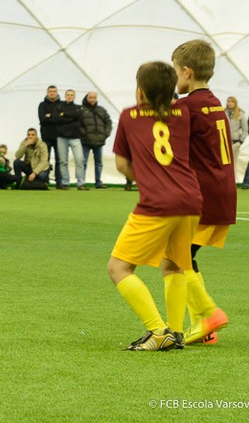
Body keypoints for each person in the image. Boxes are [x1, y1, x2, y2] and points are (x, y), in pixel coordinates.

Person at [107, 61, 202, 351]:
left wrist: (146, 179)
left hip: (157, 203)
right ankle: (176, 332)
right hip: (190, 200)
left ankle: (157, 330)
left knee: (119, 268)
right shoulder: (184, 114)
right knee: (174, 265)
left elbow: (122, 163)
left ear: (140, 91)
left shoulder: (129, 116)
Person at [171, 40, 234, 346]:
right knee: (183, 255)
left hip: (201, 195)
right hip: (223, 190)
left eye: (175, 72)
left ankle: (207, 313)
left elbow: (173, 152)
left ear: (186, 72)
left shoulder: (186, 107)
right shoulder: (216, 103)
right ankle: (204, 325)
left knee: (176, 257)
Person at [80, 91, 113, 189]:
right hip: (85, 141)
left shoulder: (101, 110)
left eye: (94, 97)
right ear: (87, 98)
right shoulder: (81, 110)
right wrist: (84, 134)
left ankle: (98, 182)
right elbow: (78, 125)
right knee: (83, 162)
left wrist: (105, 134)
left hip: (99, 141)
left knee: (99, 163)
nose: (92, 99)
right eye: (90, 97)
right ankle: (82, 182)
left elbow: (108, 123)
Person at [54, 89, 85, 190]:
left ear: (74, 96)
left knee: (79, 160)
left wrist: (64, 115)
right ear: (65, 96)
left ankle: (80, 183)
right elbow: (56, 119)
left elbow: (78, 117)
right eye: (68, 95)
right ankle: (65, 182)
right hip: (61, 137)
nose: (69, 96)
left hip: (75, 138)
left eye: (71, 95)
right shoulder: (59, 107)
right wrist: (71, 118)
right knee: (63, 161)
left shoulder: (78, 108)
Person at [38, 85, 62, 187]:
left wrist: (50, 116)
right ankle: (45, 180)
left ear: (57, 92)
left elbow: (63, 119)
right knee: (45, 160)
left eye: (54, 91)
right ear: (47, 93)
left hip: (59, 136)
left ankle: (59, 181)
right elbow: (42, 119)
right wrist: (56, 116)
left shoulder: (62, 104)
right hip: (46, 136)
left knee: (59, 160)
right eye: (50, 91)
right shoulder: (42, 105)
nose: (52, 93)